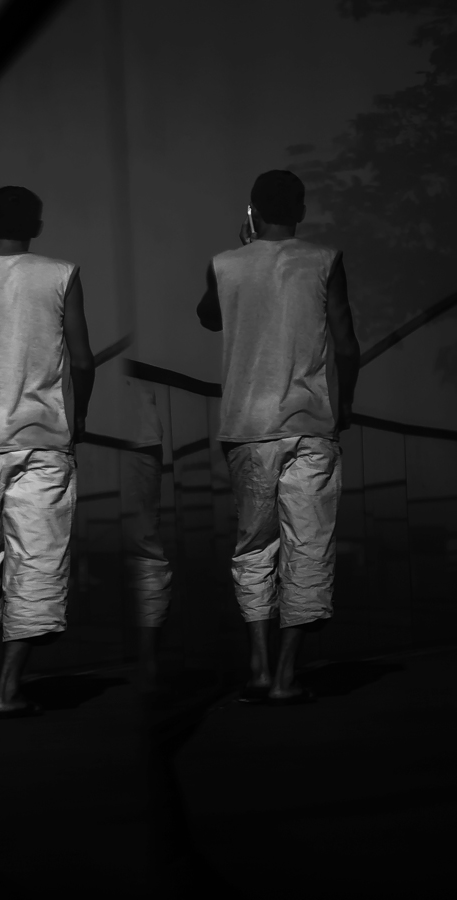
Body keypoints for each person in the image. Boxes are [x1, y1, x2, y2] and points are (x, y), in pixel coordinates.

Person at [196, 169, 359, 705]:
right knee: (307, 547)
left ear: (253, 209)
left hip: (247, 428)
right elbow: (346, 345)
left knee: (254, 548)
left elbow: (209, 318)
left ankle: (258, 669)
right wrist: (344, 407)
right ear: (302, 210)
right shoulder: (325, 260)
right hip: (310, 425)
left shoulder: (224, 264)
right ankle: (288, 675)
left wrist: (242, 255)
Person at [0, 186, 94, 718]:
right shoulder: (61, 274)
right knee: (36, 562)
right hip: (42, 437)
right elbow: (82, 360)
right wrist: (78, 418)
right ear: (38, 226)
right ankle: (8, 688)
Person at [121, 376, 173, 692]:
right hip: (139, 431)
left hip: (73, 430)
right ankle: (147, 659)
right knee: (144, 548)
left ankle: (144, 659)